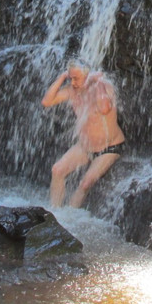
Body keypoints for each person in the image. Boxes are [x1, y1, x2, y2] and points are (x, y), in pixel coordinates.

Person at [40, 62, 125, 208]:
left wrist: (97, 81)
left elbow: (104, 108)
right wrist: (62, 77)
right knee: (57, 170)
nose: (72, 82)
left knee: (85, 184)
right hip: (85, 146)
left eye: (76, 78)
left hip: (109, 147)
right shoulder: (72, 90)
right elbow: (47, 101)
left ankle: (70, 217)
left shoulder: (104, 86)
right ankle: (54, 213)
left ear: (87, 76)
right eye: (70, 78)